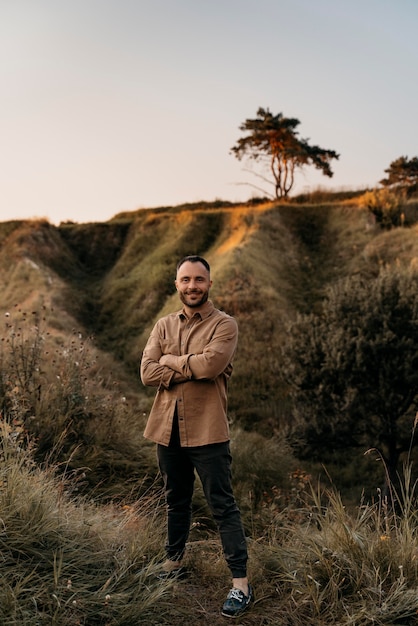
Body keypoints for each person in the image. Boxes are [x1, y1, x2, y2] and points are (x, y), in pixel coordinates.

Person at [140, 255, 253, 618]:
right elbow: (145, 372)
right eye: (185, 280)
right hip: (166, 428)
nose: (192, 286)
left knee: (222, 505)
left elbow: (209, 366)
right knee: (176, 500)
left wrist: (170, 360)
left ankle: (240, 586)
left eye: (199, 280)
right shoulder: (163, 325)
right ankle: (173, 564)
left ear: (209, 283)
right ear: (177, 284)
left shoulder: (225, 325)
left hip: (208, 431)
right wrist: (186, 363)